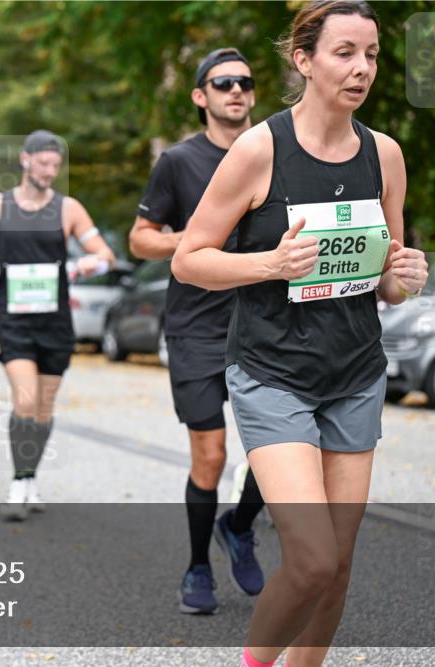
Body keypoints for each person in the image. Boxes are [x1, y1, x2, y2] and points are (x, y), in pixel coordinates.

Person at [171, 3, 428, 666]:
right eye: (344, 52)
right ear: (304, 60)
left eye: (371, 54)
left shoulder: (385, 155)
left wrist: (405, 273)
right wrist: (271, 264)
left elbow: (386, 281)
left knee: (337, 565)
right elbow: (189, 256)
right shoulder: (261, 149)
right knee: (311, 558)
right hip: (273, 373)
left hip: (355, 375)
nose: (362, 68)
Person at [129, 48, 266, 615]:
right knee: (209, 458)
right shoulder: (179, 162)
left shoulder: (274, 153)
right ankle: (196, 566)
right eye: (222, 82)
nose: (235, 90)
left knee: (278, 451)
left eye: (244, 82)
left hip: (264, 325)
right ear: (200, 96)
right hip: (195, 329)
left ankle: (239, 524)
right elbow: (141, 237)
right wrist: (189, 242)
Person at [0, 130, 116, 521]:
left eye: (56, 165)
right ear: (25, 160)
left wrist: (94, 262)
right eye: (43, 163)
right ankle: (18, 483)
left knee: (44, 407)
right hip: (14, 318)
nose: (50, 172)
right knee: (25, 399)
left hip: (55, 321)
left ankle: (30, 476)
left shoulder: (68, 209)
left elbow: (105, 253)